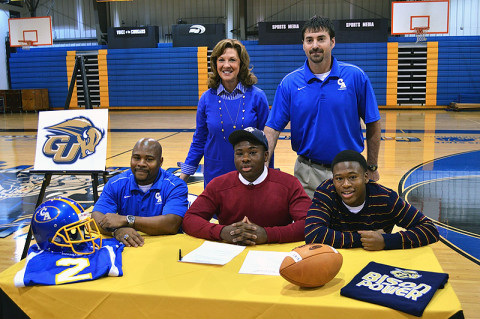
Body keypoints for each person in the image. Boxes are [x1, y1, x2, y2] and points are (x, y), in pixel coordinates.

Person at [264, 15, 382, 198]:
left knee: (349, 226)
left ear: (332, 42)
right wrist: (264, 166)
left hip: (350, 171)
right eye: (309, 40)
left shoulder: (355, 77)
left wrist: (372, 166)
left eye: (321, 39)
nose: (315, 45)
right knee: (310, 226)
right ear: (303, 44)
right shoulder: (289, 83)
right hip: (307, 173)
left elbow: (373, 122)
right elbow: (272, 129)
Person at [182, 127, 310, 245]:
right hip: (228, 257)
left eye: (253, 152)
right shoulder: (218, 185)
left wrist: (267, 234)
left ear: (266, 156)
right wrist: (223, 232)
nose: (245, 158)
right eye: (239, 153)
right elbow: (190, 219)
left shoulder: (289, 184)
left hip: (274, 257)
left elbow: (309, 223)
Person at [305, 150, 440, 250]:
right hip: (337, 263)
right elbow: (313, 234)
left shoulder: (385, 198)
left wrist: (385, 241)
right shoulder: (326, 192)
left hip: (376, 265)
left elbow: (429, 229)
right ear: (333, 179)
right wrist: (364, 240)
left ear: (366, 177)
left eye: (352, 177)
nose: (345, 184)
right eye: (339, 178)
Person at [180, 39, 270, 187]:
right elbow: (199, 140)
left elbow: (265, 142)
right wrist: (182, 178)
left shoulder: (258, 97)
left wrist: (267, 175)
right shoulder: (206, 99)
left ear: (241, 64)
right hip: (215, 176)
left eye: (232, 60)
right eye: (221, 60)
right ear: (215, 64)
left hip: (249, 175)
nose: (226, 65)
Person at [92, 138, 188, 248]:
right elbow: (96, 216)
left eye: (149, 159)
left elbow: (171, 224)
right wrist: (117, 231)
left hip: (164, 248)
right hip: (131, 249)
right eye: (137, 158)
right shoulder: (116, 183)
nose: (141, 163)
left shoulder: (175, 185)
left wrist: (127, 220)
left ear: (160, 162)